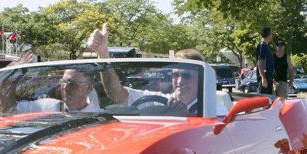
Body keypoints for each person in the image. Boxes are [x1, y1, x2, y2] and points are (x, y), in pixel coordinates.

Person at [86, 23, 224, 116]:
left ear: (201, 79)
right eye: (176, 75)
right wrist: (103, 54)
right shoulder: (156, 101)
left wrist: (185, 116)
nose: (179, 81)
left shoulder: (215, 110)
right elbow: (115, 92)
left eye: (186, 75)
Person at [1, 67, 101, 114]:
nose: (65, 87)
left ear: (88, 88)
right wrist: (8, 75)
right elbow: (9, 109)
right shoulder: (47, 106)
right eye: (63, 82)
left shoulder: (100, 117)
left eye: (72, 84)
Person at [255, 27, 275, 95]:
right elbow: (260, 63)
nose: (272, 35)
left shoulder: (267, 46)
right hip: (264, 78)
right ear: (269, 34)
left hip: (269, 78)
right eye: (272, 33)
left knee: (269, 101)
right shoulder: (262, 45)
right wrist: (263, 78)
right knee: (262, 101)